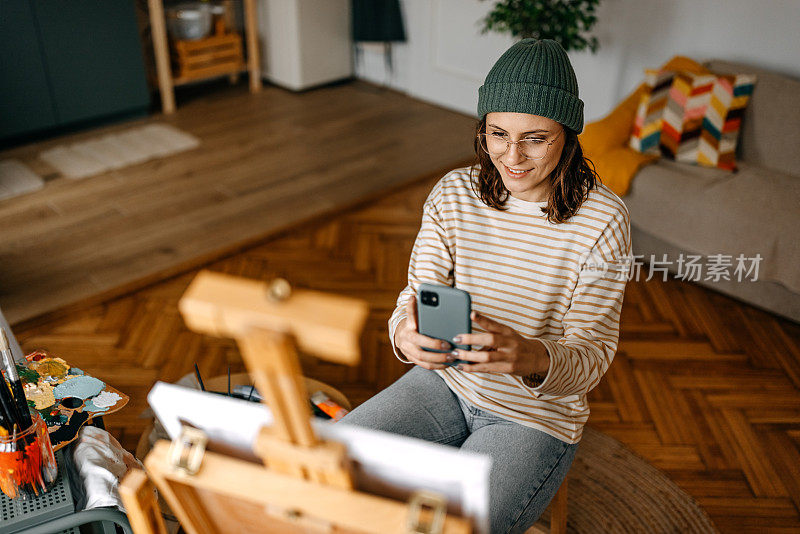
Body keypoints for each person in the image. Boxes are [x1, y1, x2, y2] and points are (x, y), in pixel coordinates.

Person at [340, 38, 632, 533]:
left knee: (456, 525)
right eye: (498, 134)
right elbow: (413, 300)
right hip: (443, 385)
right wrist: (406, 337)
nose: (512, 156)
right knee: (330, 467)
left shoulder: (604, 220)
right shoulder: (453, 194)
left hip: (533, 417)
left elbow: (593, 356)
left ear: (568, 135)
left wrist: (531, 356)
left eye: (536, 138)